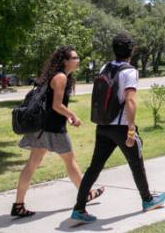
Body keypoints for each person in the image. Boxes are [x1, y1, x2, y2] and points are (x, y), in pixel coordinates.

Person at [70, 33, 165, 224]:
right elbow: (130, 100)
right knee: (136, 162)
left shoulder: (106, 66)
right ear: (132, 50)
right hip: (121, 127)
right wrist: (131, 130)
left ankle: (79, 209)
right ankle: (147, 200)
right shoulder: (130, 71)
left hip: (103, 125)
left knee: (94, 168)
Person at [12, 46, 104, 217]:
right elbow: (56, 105)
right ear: (65, 61)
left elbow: (51, 105)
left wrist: (66, 116)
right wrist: (73, 115)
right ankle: (86, 194)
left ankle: (18, 205)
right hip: (52, 130)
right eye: (75, 58)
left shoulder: (55, 76)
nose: (78, 60)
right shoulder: (61, 77)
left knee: (32, 165)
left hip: (43, 128)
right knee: (70, 161)